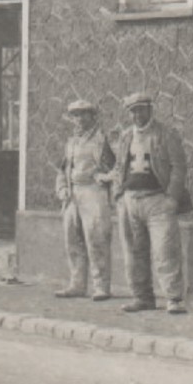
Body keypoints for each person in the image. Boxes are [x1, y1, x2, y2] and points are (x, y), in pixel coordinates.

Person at [111, 92, 192, 314]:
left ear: (150, 110)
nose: (138, 114)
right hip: (130, 201)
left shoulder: (166, 134)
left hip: (157, 200)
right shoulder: (126, 136)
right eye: (133, 111)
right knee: (134, 252)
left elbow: (178, 166)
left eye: (141, 109)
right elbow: (119, 166)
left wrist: (172, 198)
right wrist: (118, 194)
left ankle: (174, 298)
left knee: (165, 250)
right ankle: (142, 297)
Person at [53, 99, 116, 300]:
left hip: (94, 192)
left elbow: (119, 166)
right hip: (73, 194)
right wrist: (62, 188)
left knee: (96, 238)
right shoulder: (72, 141)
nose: (79, 119)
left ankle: (101, 287)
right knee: (73, 240)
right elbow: (63, 168)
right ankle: (77, 284)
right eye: (75, 115)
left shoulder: (102, 139)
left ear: (92, 116)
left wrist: (105, 177)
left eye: (83, 114)